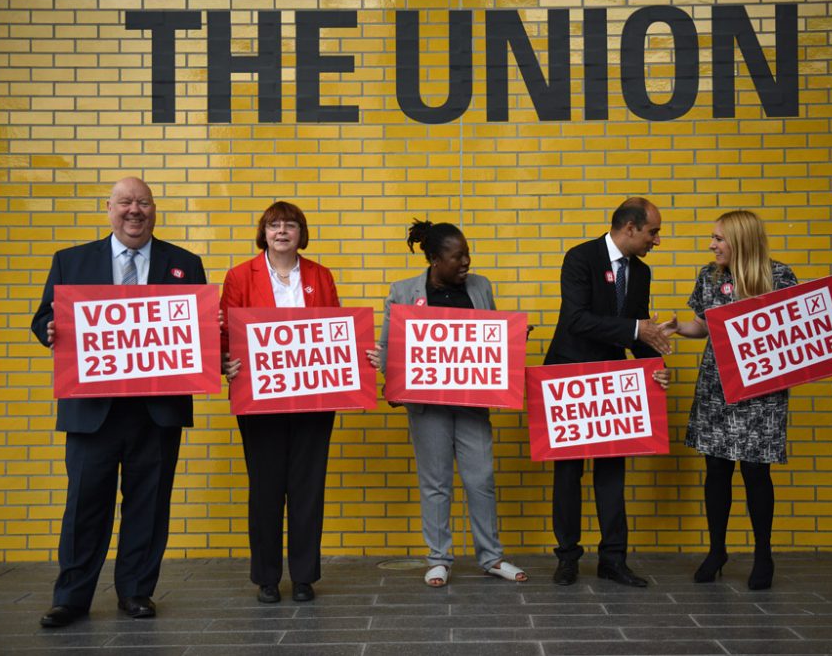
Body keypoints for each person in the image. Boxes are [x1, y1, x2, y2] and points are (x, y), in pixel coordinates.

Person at [31, 177, 207, 628]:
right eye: (125, 202)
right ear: (108, 208)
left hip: (156, 409)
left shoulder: (185, 263)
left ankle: (136, 592)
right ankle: (71, 597)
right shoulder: (71, 261)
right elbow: (44, 317)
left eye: (143, 202)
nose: (135, 210)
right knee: (85, 505)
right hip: (93, 409)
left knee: (148, 507)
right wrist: (49, 329)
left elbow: (199, 333)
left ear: (154, 209)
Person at [662, 210, 832, 590]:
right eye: (713, 238)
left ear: (740, 239)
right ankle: (716, 550)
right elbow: (704, 326)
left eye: (719, 238)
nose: (711, 245)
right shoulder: (709, 276)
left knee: (756, 472)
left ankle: (762, 554)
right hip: (716, 386)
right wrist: (676, 327)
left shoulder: (780, 276)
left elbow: (805, 322)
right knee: (717, 470)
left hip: (761, 391)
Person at [367, 220, 527, 587]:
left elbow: (490, 341)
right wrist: (383, 364)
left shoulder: (480, 287)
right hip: (427, 407)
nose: (466, 262)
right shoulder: (404, 292)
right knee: (435, 482)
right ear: (435, 259)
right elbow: (390, 347)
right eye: (458, 257)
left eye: (468, 254)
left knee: (481, 478)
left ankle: (491, 557)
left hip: (471, 404)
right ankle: (438, 558)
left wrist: (512, 339)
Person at [544, 197, 671, 588]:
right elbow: (578, 319)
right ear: (629, 228)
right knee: (568, 474)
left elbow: (638, 332)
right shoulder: (580, 258)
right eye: (653, 233)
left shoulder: (642, 272)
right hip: (570, 375)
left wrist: (656, 367)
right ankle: (568, 559)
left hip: (615, 382)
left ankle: (613, 560)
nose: (656, 241)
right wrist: (638, 330)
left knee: (612, 476)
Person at [220, 200, 339, 604]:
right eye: (275, 226)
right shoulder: (239, 276)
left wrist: (359, 357)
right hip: (260, 398)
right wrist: (225, 363)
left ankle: (304, 576)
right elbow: (226, 331)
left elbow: (335, 330)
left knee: (308, 488)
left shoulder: (321, 276)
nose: (282, 231)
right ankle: (267, 577)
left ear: (301, 233)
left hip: (314, 397)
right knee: (266, 488)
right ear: (264, 233)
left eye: (290, 225)